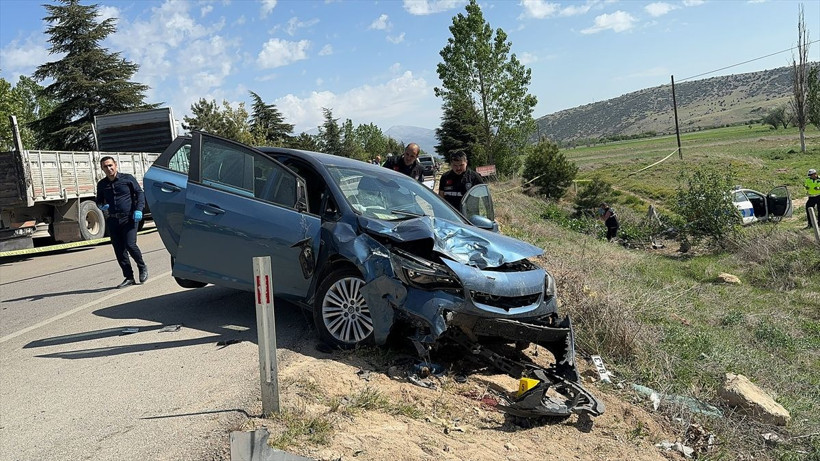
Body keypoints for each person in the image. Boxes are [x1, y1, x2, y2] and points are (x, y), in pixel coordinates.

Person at [96, 156, 148, 288]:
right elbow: (99, 201)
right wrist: (101, 206)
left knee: (130, 245)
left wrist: (139, 210)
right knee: (119, 250)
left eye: (110, 165)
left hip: (129, 218)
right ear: (102, 168)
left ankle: (142, 267)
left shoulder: (127, 178)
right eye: (105, 167)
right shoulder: (102, 184)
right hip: (113, 220)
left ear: (115, 165)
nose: (109, 169)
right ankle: (129, 277)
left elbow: (140, 194)